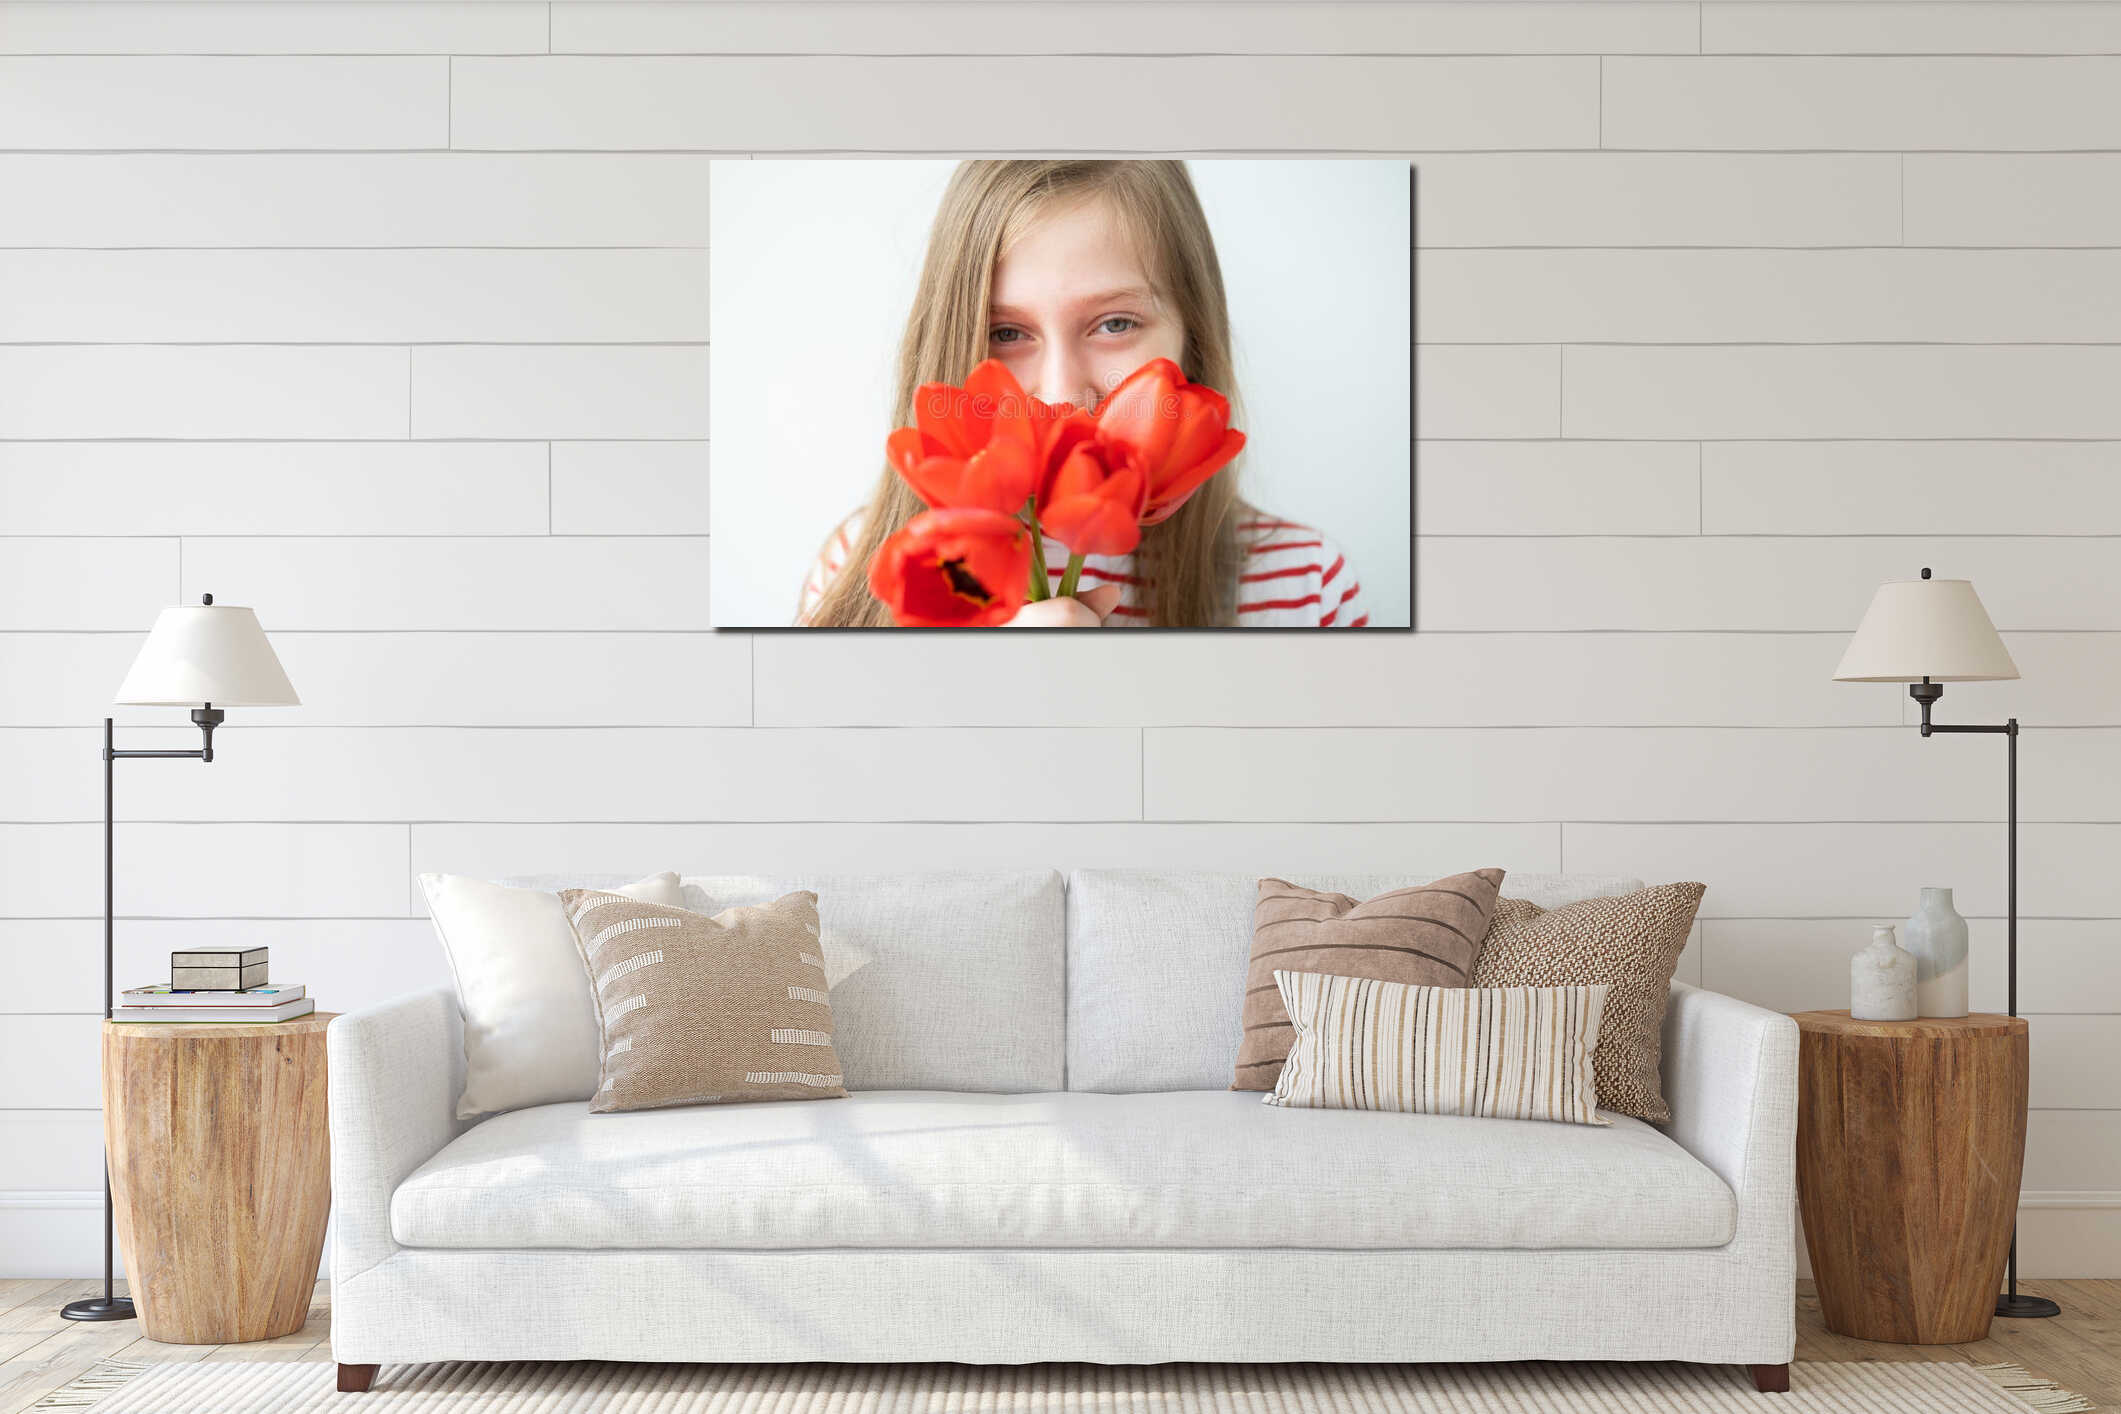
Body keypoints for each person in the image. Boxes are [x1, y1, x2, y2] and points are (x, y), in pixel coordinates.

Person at [800, 160, 1370, 629]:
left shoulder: (1305, 583)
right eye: (1007, 333)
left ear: (1191, 338)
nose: (1062, 395)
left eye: (1116, 324)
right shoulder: (866, 570)